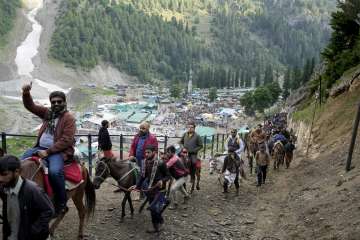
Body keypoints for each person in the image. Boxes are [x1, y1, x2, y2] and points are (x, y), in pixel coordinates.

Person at [20, 83, 76, 216]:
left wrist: (48, 152)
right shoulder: (48, 113)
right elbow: (30, 106)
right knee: (18, 164)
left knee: (55, 172)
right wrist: (26, 93)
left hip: (57, 151)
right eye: (53, 102)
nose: (56, 104)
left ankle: (61, 203)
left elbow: (66, 140)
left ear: (64, 102)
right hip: (39, 148)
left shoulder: (69, 118)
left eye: (59, 101)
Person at [0, 155, 54, 240]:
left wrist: (32, 231)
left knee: (56, 172)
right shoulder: (4, 188)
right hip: (12, 236)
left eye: (4, 174)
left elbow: (48, 211)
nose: (0, 178)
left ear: (17, 172)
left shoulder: (33, 190)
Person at [131, 145, 171, 234]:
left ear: (154, 152)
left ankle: (160, 221)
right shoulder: (144, 162)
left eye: (148, 152)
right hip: (150, 189)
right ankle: (156, 227)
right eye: (145, 152)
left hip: (160, 190)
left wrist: (162, 181)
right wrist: (137, 187)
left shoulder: (161, 163)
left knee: (152, 208)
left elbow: (168, 176)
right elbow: (143, 176)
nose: (146, 154)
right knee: (153, 210)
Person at [179, 122, 203, 192]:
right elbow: (180, 142)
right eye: (189, 127)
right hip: (184, 152)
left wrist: (193, 150)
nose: (190, 128)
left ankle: (192, 176)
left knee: (193, 162)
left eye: (191, 127)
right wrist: (182, 148)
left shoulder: (197, 136)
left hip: (193, 154)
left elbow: (200, 146)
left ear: (194, 128)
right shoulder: (185, 134)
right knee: (177, 160)